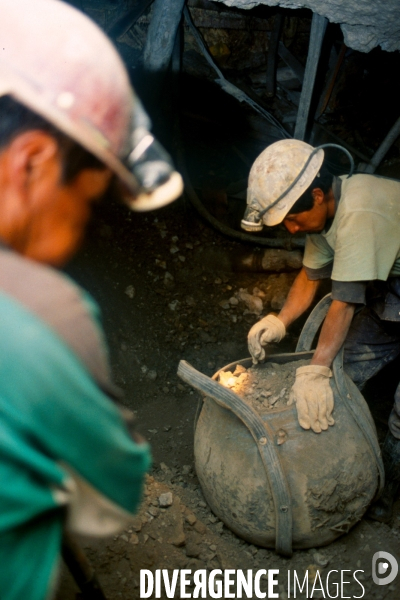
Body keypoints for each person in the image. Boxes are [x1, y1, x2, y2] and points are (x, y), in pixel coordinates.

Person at [0, 1, 183, 599]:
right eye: (85, 203)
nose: (81, 232)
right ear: (32, 162)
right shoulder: (41, 315)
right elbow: (107, 501)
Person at [241, 138, 400, 523]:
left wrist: (315, 369)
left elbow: (343, 303)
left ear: (316, 195)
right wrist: (279, 321)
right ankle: (330, 465)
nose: (292, 230)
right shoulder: (326, 211)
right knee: (341, 378)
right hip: (392, 297)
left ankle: (387, 492)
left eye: (293, 220)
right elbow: (311, 277)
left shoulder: (360, 213)